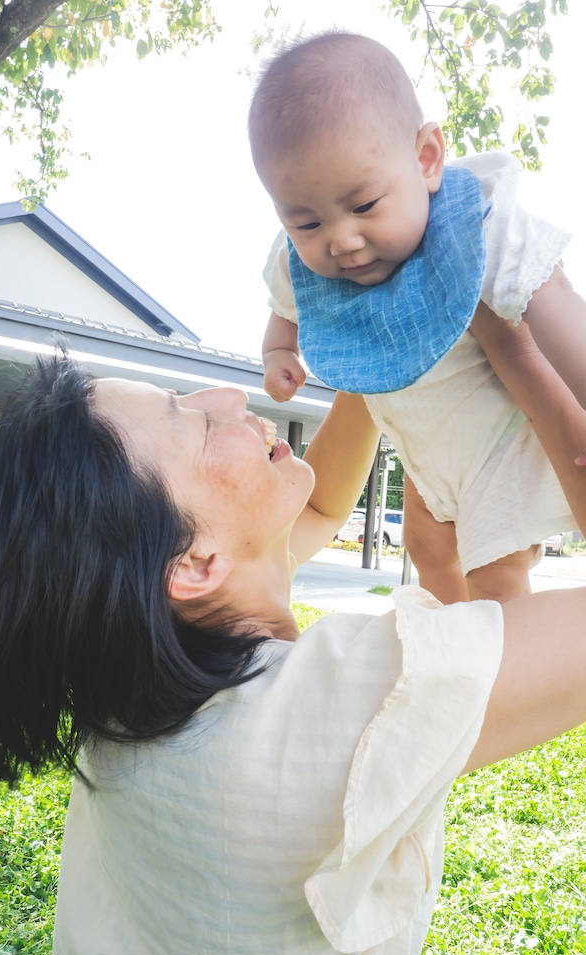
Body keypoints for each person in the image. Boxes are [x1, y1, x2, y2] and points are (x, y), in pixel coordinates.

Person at [0, 334, 586, 955]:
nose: (227, 396)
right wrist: (522, 358)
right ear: (195, 563)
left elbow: (324, 502)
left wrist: (382, 362)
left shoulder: (130, 672)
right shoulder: (333, 708)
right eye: (192, 422)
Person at [248, 31, 586, 604]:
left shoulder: (475, 223)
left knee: (495, 580)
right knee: (426, 548)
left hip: (497, 451)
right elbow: (287, 309)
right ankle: (446, 638)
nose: (342, 241)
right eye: (307, 224)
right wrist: (279, 352)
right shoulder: (299, 260)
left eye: (363, 206)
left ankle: (504, 665)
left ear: (426, 159)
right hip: (425, 457)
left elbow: (551, 299)